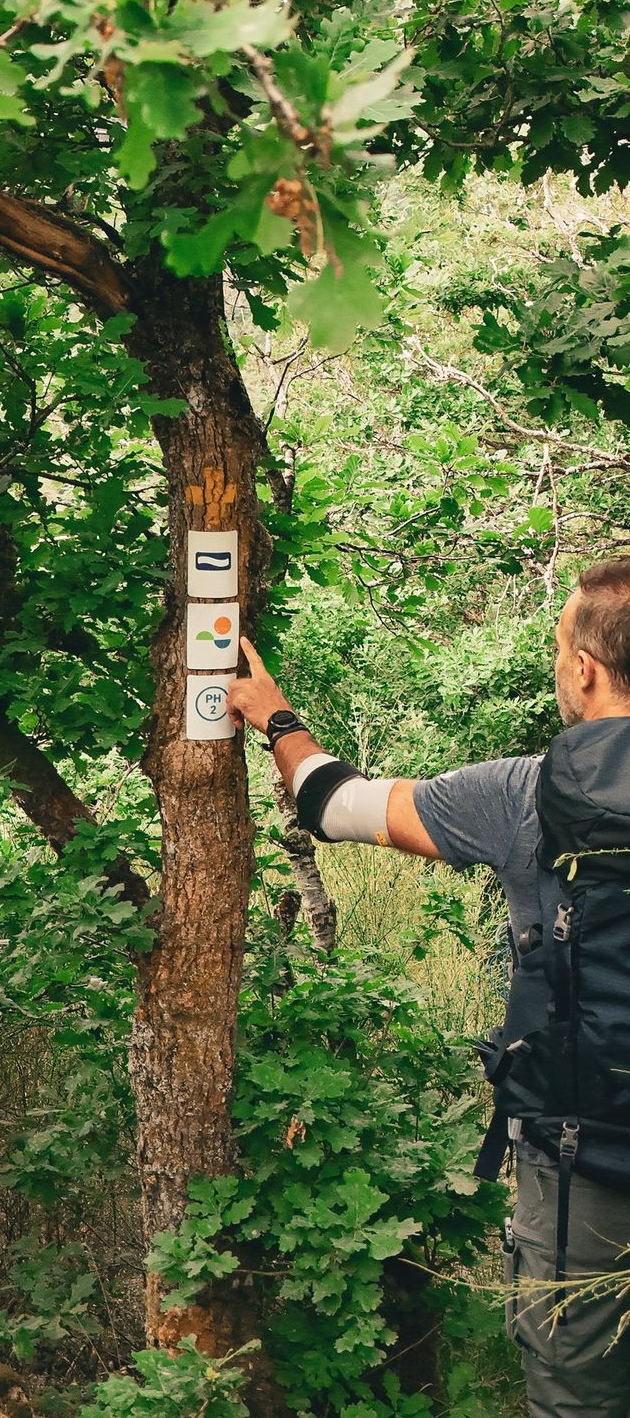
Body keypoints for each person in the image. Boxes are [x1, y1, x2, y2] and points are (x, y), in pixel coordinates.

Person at [226, 557, 630, 1418]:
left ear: (585, 668)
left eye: (560, 648)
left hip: (581, 1159)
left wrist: (275, 717)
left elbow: (334, 806)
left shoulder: (525, 795)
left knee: (576, 1393)